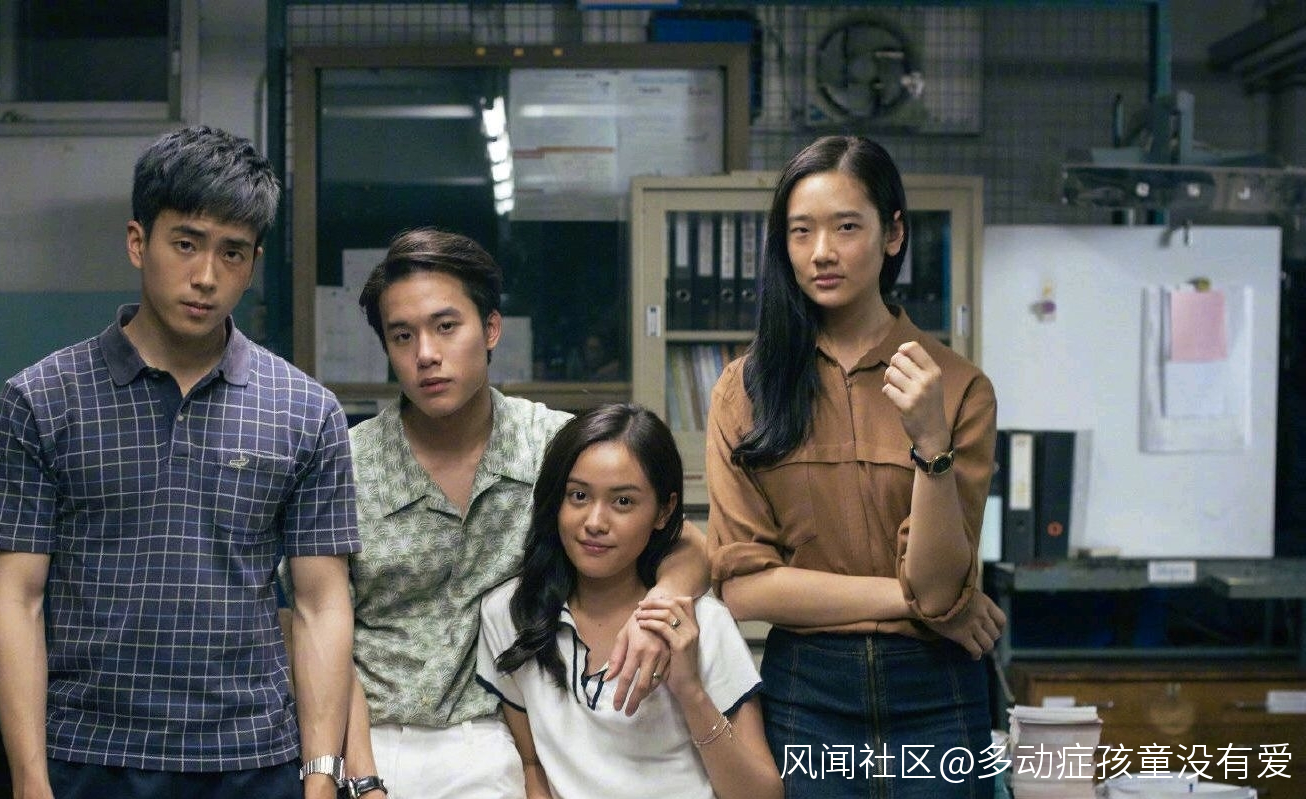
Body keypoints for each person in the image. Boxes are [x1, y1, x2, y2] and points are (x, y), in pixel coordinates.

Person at [0, 126, 358, 799]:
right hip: (90, 754)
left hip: (252, 757)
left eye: (231, 252)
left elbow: (320, 602)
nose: (206, 276)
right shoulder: (41, 400)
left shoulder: (306, 411)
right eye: (185, 243)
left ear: (253, 262)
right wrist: (29, 778)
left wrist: (321, 775)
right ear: (137, 242)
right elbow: (15, 598)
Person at [338, 228, 710, 799]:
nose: (426, 354)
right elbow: (315, 624)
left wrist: (660, 609)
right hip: (372, 738)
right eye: (402, 336)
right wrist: (361, 775)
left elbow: (687, 543)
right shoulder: (347, 464)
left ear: (490, 329)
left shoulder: (553, 446)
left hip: (506, 738)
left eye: (446, 326)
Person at [706, 135, 1005, 798]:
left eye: (846, 227)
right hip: (806, 693)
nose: (821, 251)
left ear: (892, 234)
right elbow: (745, 591)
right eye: (801, 231)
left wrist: (930, 444)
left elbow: (937, 586)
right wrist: (920, 603)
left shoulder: (956, 387)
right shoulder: (744, 389)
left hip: (935, 690)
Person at [477, 404, 783, 799]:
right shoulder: (511, 614)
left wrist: (690, 691)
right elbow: (532, 763)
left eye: (623, 502)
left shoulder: (703, 624)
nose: (595, 522)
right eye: (578, 496)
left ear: (664, 511)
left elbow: (763, 794)